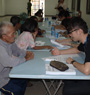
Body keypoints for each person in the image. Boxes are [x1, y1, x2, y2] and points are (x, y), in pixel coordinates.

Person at [51, 17, 90, 95]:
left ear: (79, 31)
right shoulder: (86, 40)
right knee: (68, 79)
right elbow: (77, 49)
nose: (69, 34)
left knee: (68, 90)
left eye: (71, 32)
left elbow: (86, 71)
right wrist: (59, 52)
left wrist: (72, 62)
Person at [0, 21, 34, 95]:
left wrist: (26, 53)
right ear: (4, 36)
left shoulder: (9, 42)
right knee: (16, 90)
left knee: (23, 79)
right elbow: (9, 62)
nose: (15, 36)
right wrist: (25, 59)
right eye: (13, 34)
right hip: (1, 80)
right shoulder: (1, 47)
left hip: (7, 74)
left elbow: (17, 51)